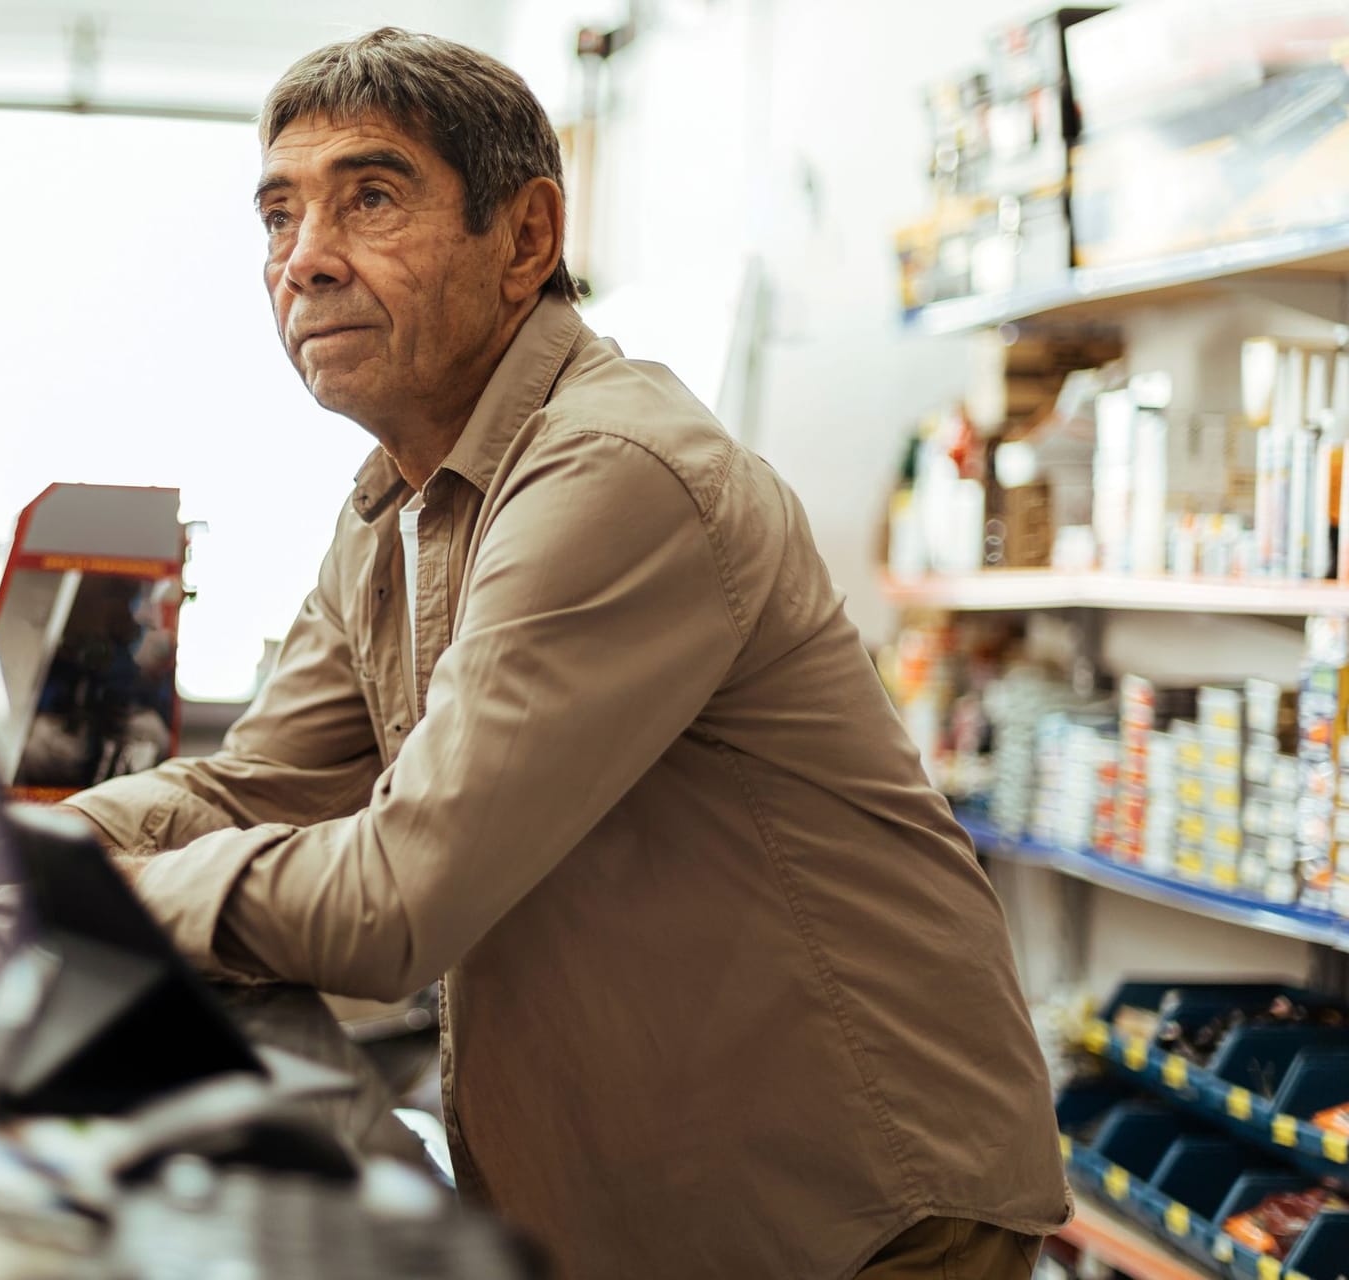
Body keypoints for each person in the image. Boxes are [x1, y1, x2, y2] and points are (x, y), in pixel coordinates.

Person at [65, 28, 1068, 1280]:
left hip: (863, 1216)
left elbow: (395, 902)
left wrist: (76, 897)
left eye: (369, 199)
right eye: (279, 216)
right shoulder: (397, 504)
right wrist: (18, 843)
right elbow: (250, 784)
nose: (305, 260)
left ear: (526, 238)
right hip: (665, 1206)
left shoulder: (614, 473)